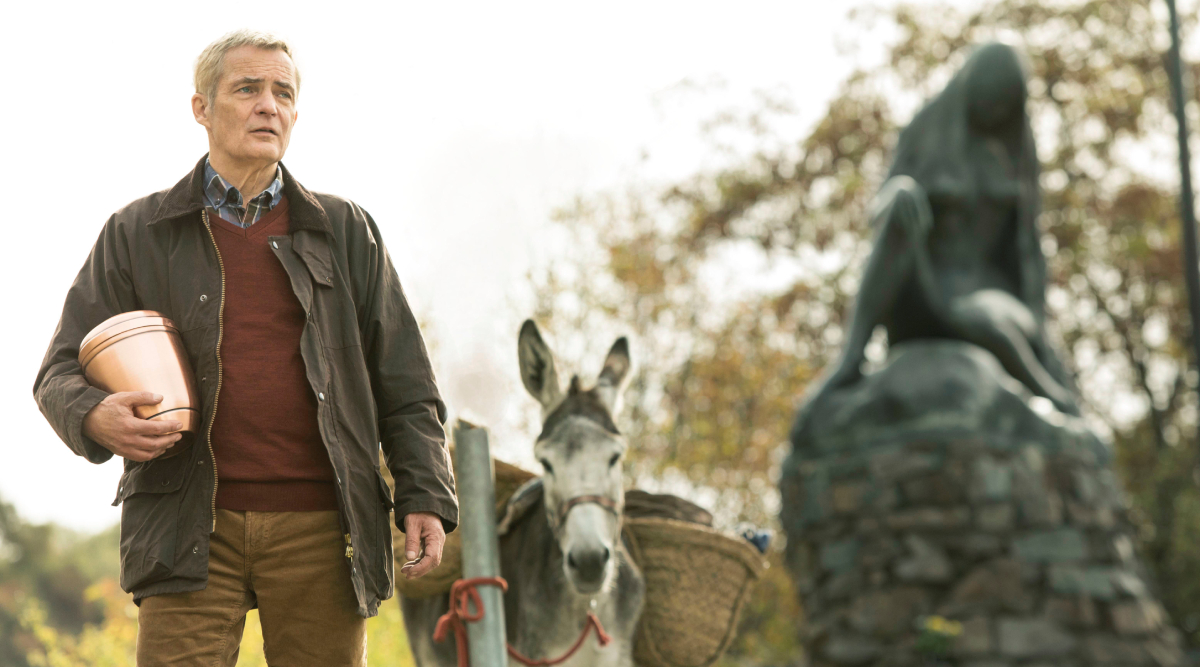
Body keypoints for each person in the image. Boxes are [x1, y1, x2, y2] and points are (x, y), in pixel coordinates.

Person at [33, 29, 457, 666]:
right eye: (248, 89)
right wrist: (94, 415)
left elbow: (406, 382)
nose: (269, 106)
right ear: (201, 108)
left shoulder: (347, 231)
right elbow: (59, 370)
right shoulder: (136, 232)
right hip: (185, 528)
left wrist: (425, 493)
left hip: (324, 529)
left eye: (283, 93)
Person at [807, 42, 1080, 417]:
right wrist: (897, 194)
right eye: (990, 96)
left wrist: (1041, 330)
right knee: (901, 198)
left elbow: (1028, 246)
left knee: (987, 318)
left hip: (987, 291)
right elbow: (878, 214)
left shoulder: (1016, 149)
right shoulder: (928, 128)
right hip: (927, 285)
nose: (995, 109)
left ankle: (1045, 389)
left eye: (1004, 102)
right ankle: (851, 358)